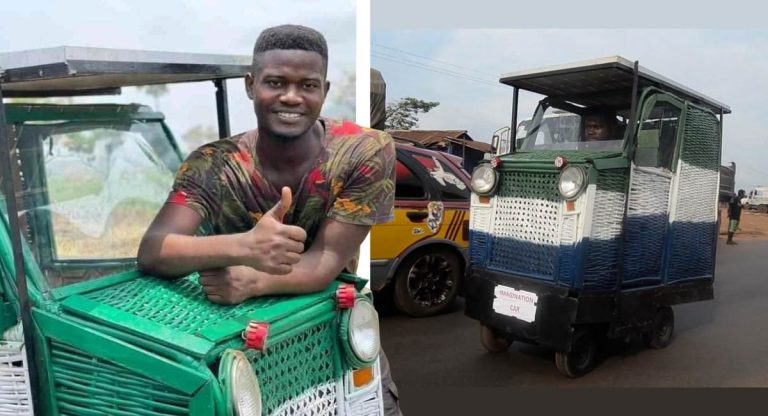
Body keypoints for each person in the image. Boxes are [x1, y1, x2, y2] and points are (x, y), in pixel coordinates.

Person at [137, 24, 401, 414]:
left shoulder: (364, 151)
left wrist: (253, 278)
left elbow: (323, 263)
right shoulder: (213, 165)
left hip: (333, 329)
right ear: (250, 84)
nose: (291, 97)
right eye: (275, 82)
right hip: (243, 350)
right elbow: (154, 250)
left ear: (324, 91)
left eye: (308, 85)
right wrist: (242, 245)